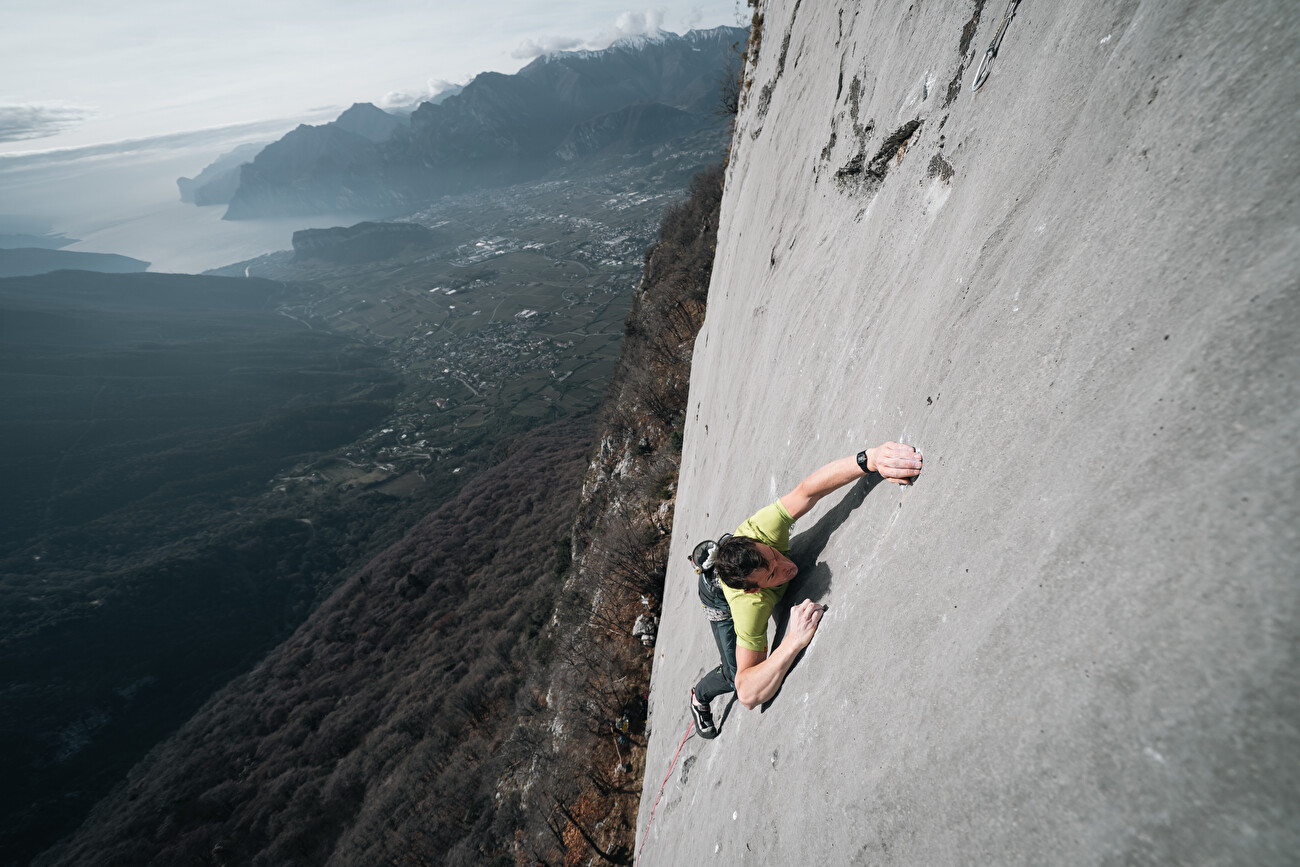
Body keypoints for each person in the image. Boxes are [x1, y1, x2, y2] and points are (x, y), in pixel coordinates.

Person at [689, 441, 923, 739]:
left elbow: (808, 490)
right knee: (734, 672)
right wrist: (791, 642)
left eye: (774, 555)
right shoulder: (750, 607)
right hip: (716, 596)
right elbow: (747, 693)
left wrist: (870, 459)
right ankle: (699, 697)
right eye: (773, 574)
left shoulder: (761, 529)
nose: (787, 567)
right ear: (754, 591)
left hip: (734, 559)